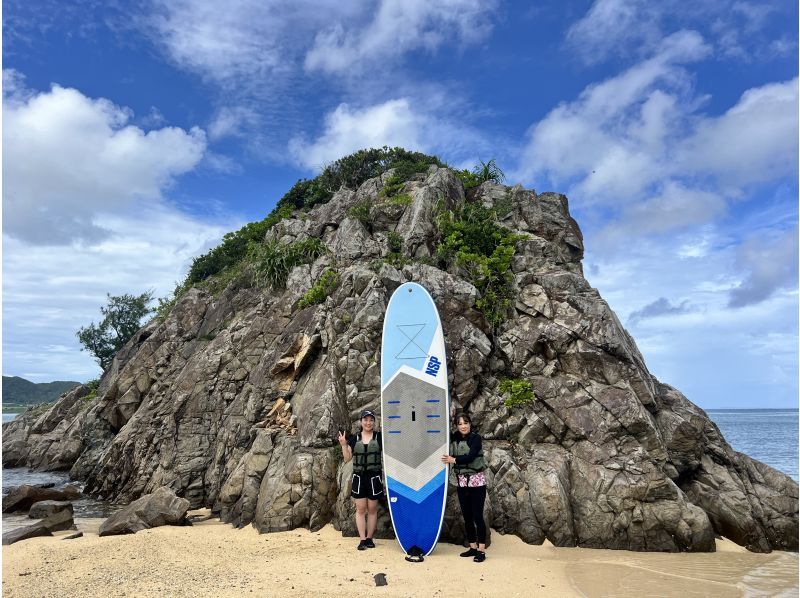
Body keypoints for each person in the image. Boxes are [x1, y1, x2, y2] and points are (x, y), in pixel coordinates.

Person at [441, 412, 487, 562]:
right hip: (462, 482)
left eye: (465, 423)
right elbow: (443, 431)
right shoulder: (454, 438)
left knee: (478, 517)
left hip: (476, 482)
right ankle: (472, 547)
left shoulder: (475, 438)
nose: (463, 426)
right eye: (459, 424)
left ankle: (481, 550)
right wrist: (448, 415)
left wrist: (453, 459)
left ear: (470, 424)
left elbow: (471, 456)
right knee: (467, 517)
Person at [338, 410, 383, 550]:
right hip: (359, 478)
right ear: (361, 422)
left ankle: (369, 538)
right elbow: (347, 458)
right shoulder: (354, 438)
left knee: (372, 508)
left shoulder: (380, 437)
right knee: (360, 509)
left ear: (374, 422)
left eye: (371, 420)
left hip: (374, 477)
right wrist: (344, 445)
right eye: (366, 420)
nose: (368, 423)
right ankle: (362, 539)